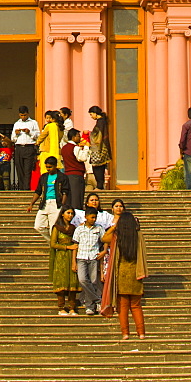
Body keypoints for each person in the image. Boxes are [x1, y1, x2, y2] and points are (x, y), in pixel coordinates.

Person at [101, 210, 148, 339]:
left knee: (123, 307)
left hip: (121, 274)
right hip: (136, 274)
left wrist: (114, 227)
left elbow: (104, 238)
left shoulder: (117, 236)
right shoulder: (138, 235)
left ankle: (125, 333)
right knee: (136, 306)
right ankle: (141, 333)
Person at [27, 155, 70, 241]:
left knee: (53, 227)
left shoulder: (62, 177)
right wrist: (31, 204)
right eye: (47, 167)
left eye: (50, 167)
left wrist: (62, 205)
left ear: (55, 166)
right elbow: (38, 191)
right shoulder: (44, 177)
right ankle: (52, 242)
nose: (48, 169)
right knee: (38, 226)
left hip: (56, 203)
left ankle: (54, 246)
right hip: (45, 203)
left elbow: (65, 192)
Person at [72, 207, 105, 315]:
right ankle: (98, 300)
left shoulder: (99, 228)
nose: (94, 219)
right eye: (92, 217)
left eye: (95, 217)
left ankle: (90, 307)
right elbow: (75, 245)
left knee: (93, 281)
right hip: (81, 257)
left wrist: (104, 251)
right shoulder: (79, 229)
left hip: (93, 257)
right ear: (86, 217)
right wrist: (73, 262)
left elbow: (105, 240)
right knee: (82, 280)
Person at [49, 206, 81, 315]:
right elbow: (53, 244)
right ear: (62, 214)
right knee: (61, 281)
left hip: (72, 256)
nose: (70, 215)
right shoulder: (57, 228)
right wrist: (67, 247)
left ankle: (72, 307)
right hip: (61, 256)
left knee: (73, 281)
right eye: (68, 213)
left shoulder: (73, 228)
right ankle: (61, 307)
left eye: (72, 213)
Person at [11, 106, 40, 189]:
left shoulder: (33, 123)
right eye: (21, 115)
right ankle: (21, 188)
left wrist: (29, 132)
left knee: (28, 169)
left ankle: (26, 188)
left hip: (29, 147)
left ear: (28, 114)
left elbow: (38, 136)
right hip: (19, 148)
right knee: (20, 169)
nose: (23, 117)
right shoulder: (17, 124)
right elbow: (13, 139)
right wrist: (16, 134)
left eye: (24, 115)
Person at [61, 128, 87, 210]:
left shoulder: (64, 148)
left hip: (67, 175)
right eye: (78, 136)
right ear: (73, 137)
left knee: (70, 198)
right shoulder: (75, 147)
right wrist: (86, 148)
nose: (80, 138)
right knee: (77, 198)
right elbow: (82, 158)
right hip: (76, 175)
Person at [86, 106, 111, 190]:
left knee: (97, 167)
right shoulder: (102, 121)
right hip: (102, 147)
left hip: (99, 148)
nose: (91, 116)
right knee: (100, 168)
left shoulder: (100, 122)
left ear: (95, 113)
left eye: (91, 114)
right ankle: (100, 185)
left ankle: (99, 186)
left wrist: (89, 134)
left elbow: (96, 135)